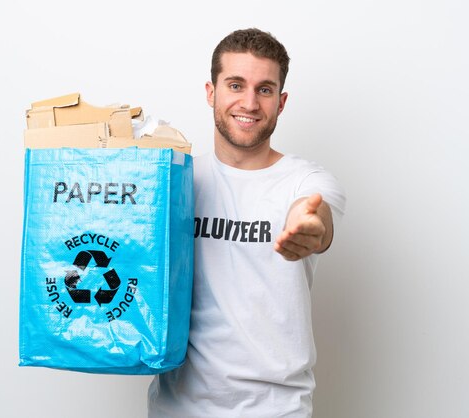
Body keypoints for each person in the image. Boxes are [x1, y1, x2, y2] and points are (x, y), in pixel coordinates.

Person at [148, 28, 346, 417]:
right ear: (211, 92)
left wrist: (309, 229)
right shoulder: (175, 182)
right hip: (177, 407)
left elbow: (316, 217)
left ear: (281, 101)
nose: (250, 102)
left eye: (265, 89)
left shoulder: (308, 182)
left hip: (275, 408)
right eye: (236, 85)